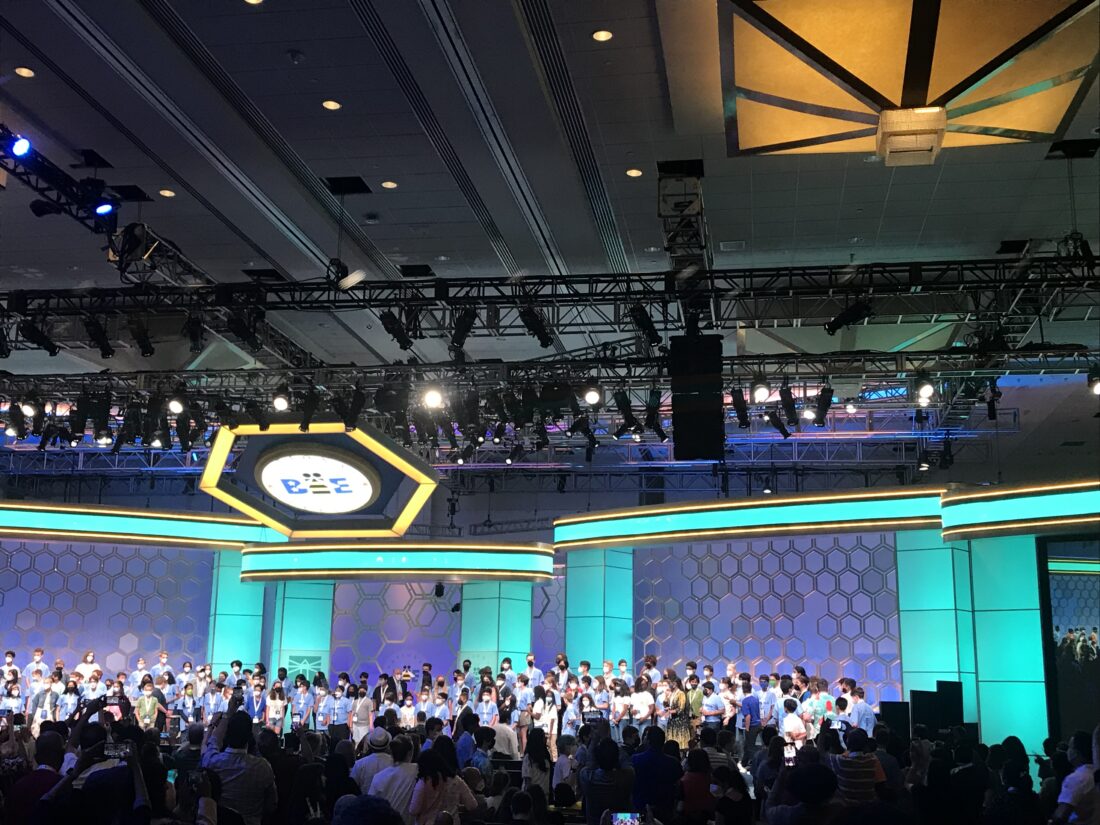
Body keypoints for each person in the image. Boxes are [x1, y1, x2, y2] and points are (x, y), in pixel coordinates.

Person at [201, 708, 279, 825]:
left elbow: (212, 743)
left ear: (227, 735)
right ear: (250, 737)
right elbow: (272, 804)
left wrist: (216, 724)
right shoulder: (262, 767)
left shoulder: (213, 762)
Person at [409, 743, 478, 825]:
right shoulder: (456, 780)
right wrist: (456, 807)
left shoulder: (423, 783)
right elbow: (472, 805)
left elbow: (413, 810)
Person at [578, 737, 633, 825]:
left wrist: (595, 738)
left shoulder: (588, 778)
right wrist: (612, 744)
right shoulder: (627, 777)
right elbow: (626, 761)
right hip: (622, 821)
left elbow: (590, 763)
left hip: (595, 822)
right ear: (617, 757)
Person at [631, 725, 681, 821]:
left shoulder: (635, 759)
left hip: (639, 812)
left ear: (648, 741)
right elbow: (679, 787)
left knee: (614, 819)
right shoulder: (673, 762)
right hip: (666, 812)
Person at [369, 734, 419, 825]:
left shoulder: (379, 777)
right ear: (410, 753)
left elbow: (371, 805)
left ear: (391, 753)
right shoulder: (417, 771)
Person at [1051, 729, 1096, 824]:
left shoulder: (1076, 778)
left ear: (1076, 752)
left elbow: (1061, 815)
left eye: (1069, 747)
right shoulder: (1095, 773)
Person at [351, 727, 393, 792]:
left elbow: (353, 786)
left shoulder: (359, 764)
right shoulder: (394, 763)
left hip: (364, 797)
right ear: (387, 745)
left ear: (370, 745)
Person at [680, 748, 716, 823]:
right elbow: (715, 797)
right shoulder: (712, 779)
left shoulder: (684, 780)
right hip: (708, 817)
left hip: (688, 818)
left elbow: (680, 805)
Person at [522, 727, 552, 795]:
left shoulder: (546, 755)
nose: (546, 738)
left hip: (544, 793)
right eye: (543, 736)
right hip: (531, 794)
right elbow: (527, 780)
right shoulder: (528, 758)